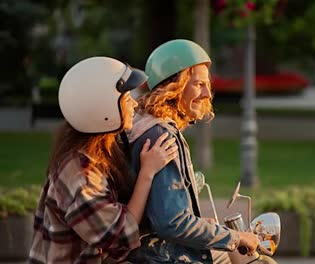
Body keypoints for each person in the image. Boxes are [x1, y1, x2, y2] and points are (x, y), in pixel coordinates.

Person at [28, 56, 178, 263]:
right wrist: (147, 173)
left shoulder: (98, 150)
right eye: (126, 99)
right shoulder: (80, 174)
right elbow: (119, 237)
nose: (134, 104)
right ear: (104, 109)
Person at [126, 39, 259, 264]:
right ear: (173, 86)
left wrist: (201, 224)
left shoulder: (146, 123)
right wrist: (236, 237)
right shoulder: (162, 136)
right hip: (165, 257)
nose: (208, 93)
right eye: (198, 84)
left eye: (207, 84)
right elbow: (172, 222)